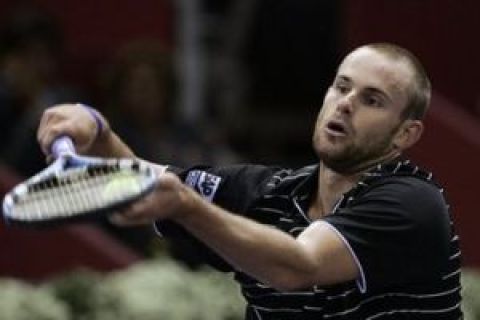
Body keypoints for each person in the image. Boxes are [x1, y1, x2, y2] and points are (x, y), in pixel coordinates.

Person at [37, 43, 462, 319]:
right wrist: (98, 133)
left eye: (372, 100)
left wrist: (186, 205)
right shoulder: (269, 192)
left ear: (406, 134)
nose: (346, 104)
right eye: (341, 87)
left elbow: (298, 266)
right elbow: (145, 179)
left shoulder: (414, 204)